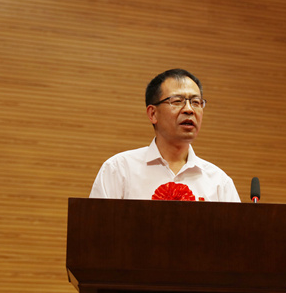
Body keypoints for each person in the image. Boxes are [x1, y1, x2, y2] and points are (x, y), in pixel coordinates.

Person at [89, 69, 241, 202]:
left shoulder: (219, 182)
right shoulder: (119, 170)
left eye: (196, 102)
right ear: (153, 114)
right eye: (177, 101)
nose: (189, 109)